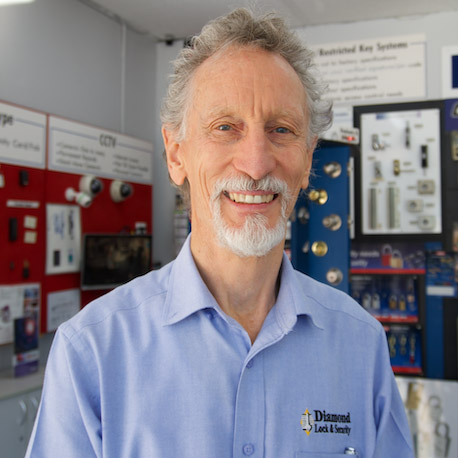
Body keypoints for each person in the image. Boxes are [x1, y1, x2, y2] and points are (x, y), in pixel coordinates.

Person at [26, 8, 414, 458]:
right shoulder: (92, 352)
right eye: (225, 128)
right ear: (176, 156)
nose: (255, 163)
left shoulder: (360, 345)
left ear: (308, 161)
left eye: (281, 130)